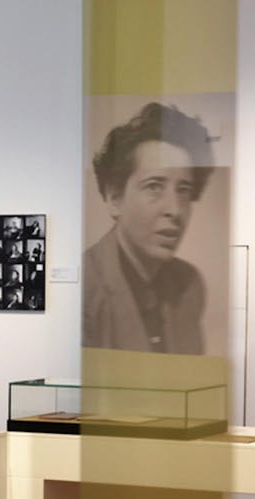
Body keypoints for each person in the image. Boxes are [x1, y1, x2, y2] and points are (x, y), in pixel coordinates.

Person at [83, 102, 213, 353]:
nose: (175, 210)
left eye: (183, 190)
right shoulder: (85, 288)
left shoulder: (190, 285)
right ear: (114, 198)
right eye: (154, 186)